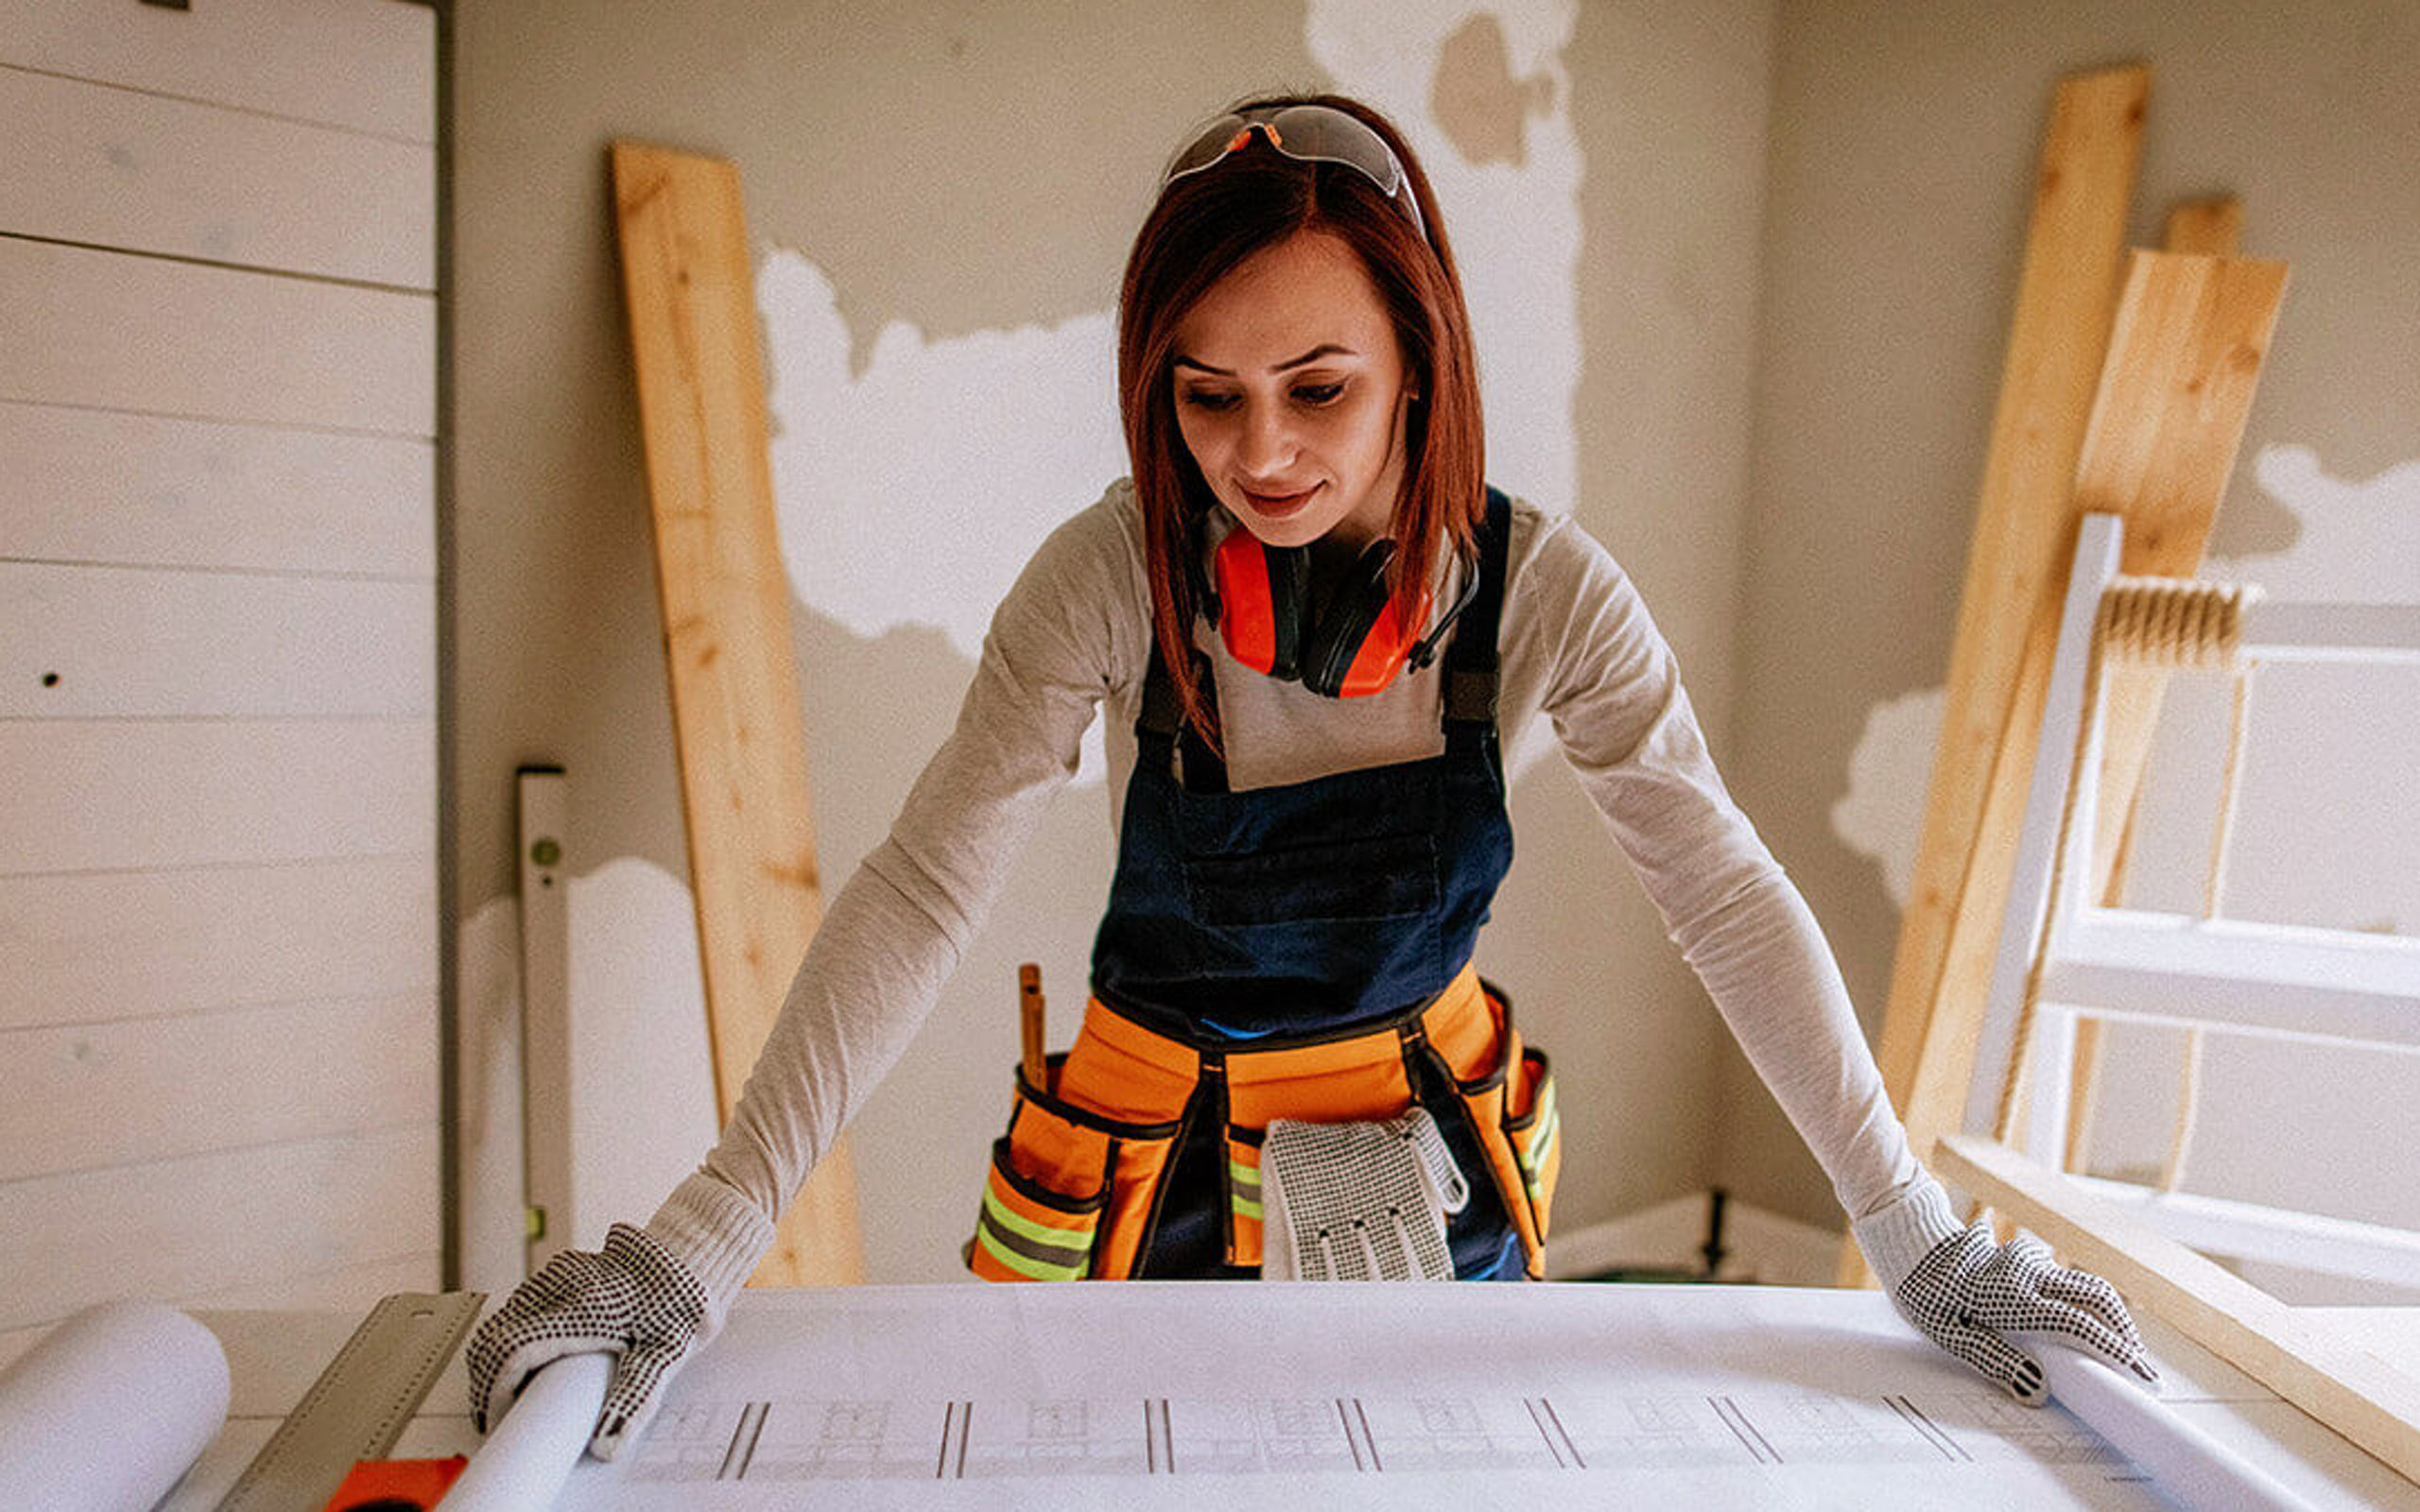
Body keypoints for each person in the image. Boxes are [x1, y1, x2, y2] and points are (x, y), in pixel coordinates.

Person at [467, 92, 2157, 1459]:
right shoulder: (1111, 581)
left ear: (1422, 360)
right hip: (1139, 1164)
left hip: (1424, 1155)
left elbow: (1724, 890)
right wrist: (694, 1244)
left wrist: (1916, 1231)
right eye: (1204, 399)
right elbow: (922, 895)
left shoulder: (1551, 598)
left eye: (1319, 389)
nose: (1259, 456)